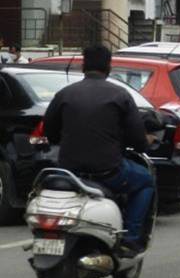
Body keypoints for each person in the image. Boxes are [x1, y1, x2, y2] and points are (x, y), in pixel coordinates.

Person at [43, 45, 155, 255]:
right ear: (109, 67)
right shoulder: (120, 95)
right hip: (108, 172)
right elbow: (138, 140)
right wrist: (146, 141)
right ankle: (130, 238)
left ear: (83, 66)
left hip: (70, 172)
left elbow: (51, 132)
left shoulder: (64, 94)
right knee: (146, 182)